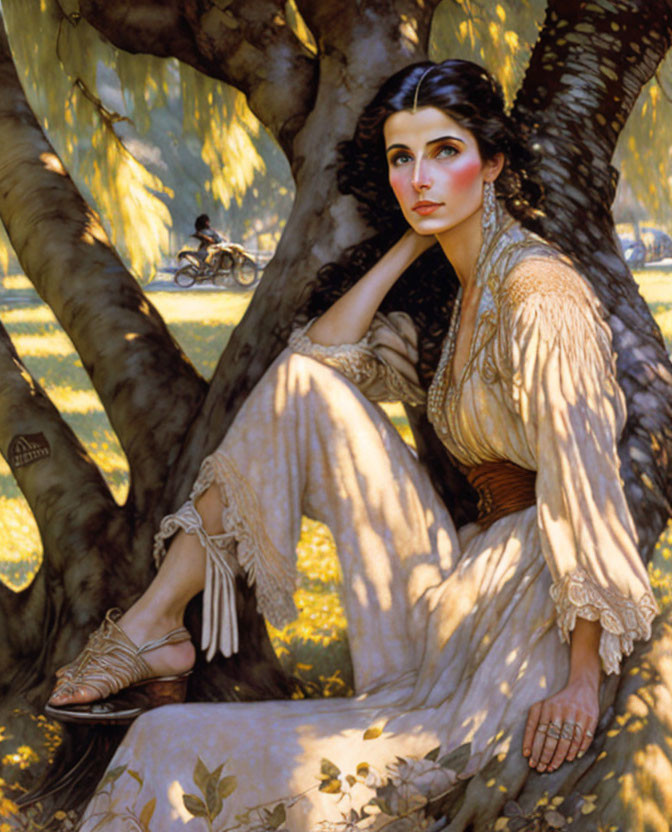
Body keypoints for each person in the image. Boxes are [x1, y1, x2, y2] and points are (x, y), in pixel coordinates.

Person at [47, 60, 658, 830]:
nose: (420, 177)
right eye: (402, 159)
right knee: (301, 386)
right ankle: (157, 622)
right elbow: (314, 363)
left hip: (531, 613)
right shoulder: (455, 291)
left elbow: (584, 481)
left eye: (444, 152)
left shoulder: (541, 295)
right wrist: (409, 246)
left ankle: (152, 627)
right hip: (459, 587)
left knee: (220, 755)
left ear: (494, 162)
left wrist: (580, 678)